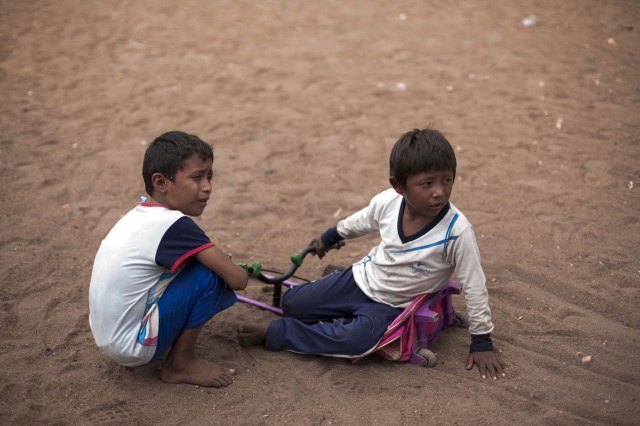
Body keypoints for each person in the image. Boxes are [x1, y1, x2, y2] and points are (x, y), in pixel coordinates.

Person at [238, 128, 506, 380]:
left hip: (392, 305)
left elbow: (474, 285)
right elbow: (362, 221)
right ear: (398, 186)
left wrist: (482, 340)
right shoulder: (388, 202)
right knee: (292, 305)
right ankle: (334, 290)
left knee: (356, 342)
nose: (439, 192)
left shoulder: (457, 231)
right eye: (427, 183)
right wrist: (331, 237)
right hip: (362, 278)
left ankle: (276, 333)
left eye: (447, 180)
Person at [89, 131, 249, 387]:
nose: (207, 186)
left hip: (108, 338)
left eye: (209, 176)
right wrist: (228, 269)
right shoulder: (175, 225)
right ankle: (179, 364)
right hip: (131, 346)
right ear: (161, 182)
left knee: (200, 266)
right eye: (197, 177)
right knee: (210, 275)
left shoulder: (138, 215)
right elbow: (239, 280)